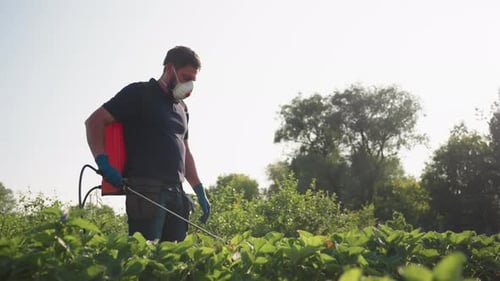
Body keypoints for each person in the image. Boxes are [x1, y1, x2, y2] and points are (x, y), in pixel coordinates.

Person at [85, 46, 210, 242]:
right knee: (144, 255)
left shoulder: (182, 109)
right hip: (147, 191)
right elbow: (94, 121)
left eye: (193, 81)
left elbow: (185, 150)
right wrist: (103, 162)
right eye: (186, 78)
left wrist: (199, 190)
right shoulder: (140, 94)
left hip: (177, 192)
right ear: (170, 69)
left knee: (175, 258)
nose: (189, 86)